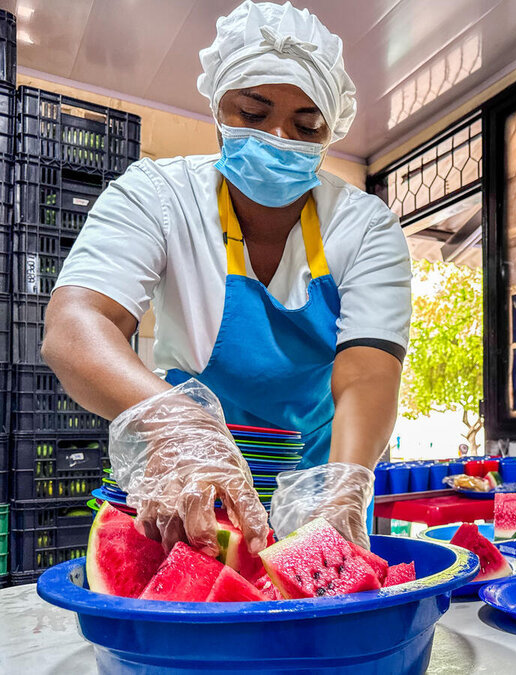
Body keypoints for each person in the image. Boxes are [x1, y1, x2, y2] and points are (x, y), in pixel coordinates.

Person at [42, 1, 411, 554]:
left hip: (312, 482)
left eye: (306, 124)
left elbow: (368, 374)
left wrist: (344, 485)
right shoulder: (157, 194)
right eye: (253, 113)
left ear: (330, 130)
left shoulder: (364, 225)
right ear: (218, 106)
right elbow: (76, 326)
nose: (278, 137)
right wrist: (178, 426)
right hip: (185, 478)